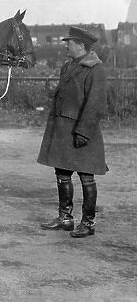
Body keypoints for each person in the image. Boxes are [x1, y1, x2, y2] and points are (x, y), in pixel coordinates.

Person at [37, 26, 107, 238]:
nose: (66, 45)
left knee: (86, 175)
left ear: (81, 45)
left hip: (82, 131)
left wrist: (83, 132)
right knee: (62, 174)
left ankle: (88, 223)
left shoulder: (95, 69)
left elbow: (96, 104)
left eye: (70, 42)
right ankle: (65, 218)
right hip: (63, 130)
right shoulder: (68, 66)